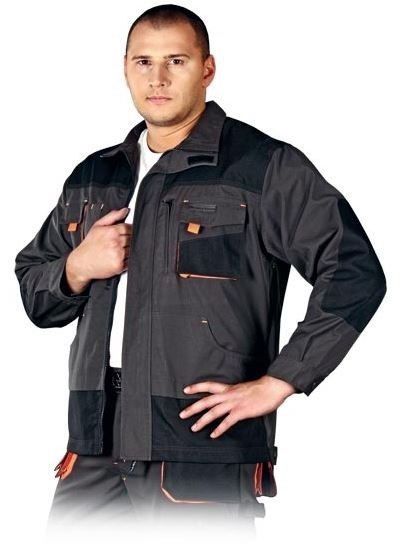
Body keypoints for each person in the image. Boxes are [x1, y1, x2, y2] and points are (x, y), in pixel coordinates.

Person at [15, 3, 387, 542]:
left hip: (200, 446)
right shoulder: (95, 176)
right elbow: (37, 297)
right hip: (94, 441)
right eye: (143, 62)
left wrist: (282, 380)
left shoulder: (263, 167)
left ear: (207, 69)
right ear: (125, 69)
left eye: (177, 61)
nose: (158, 78)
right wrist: (77, 266)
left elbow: (354, 272)